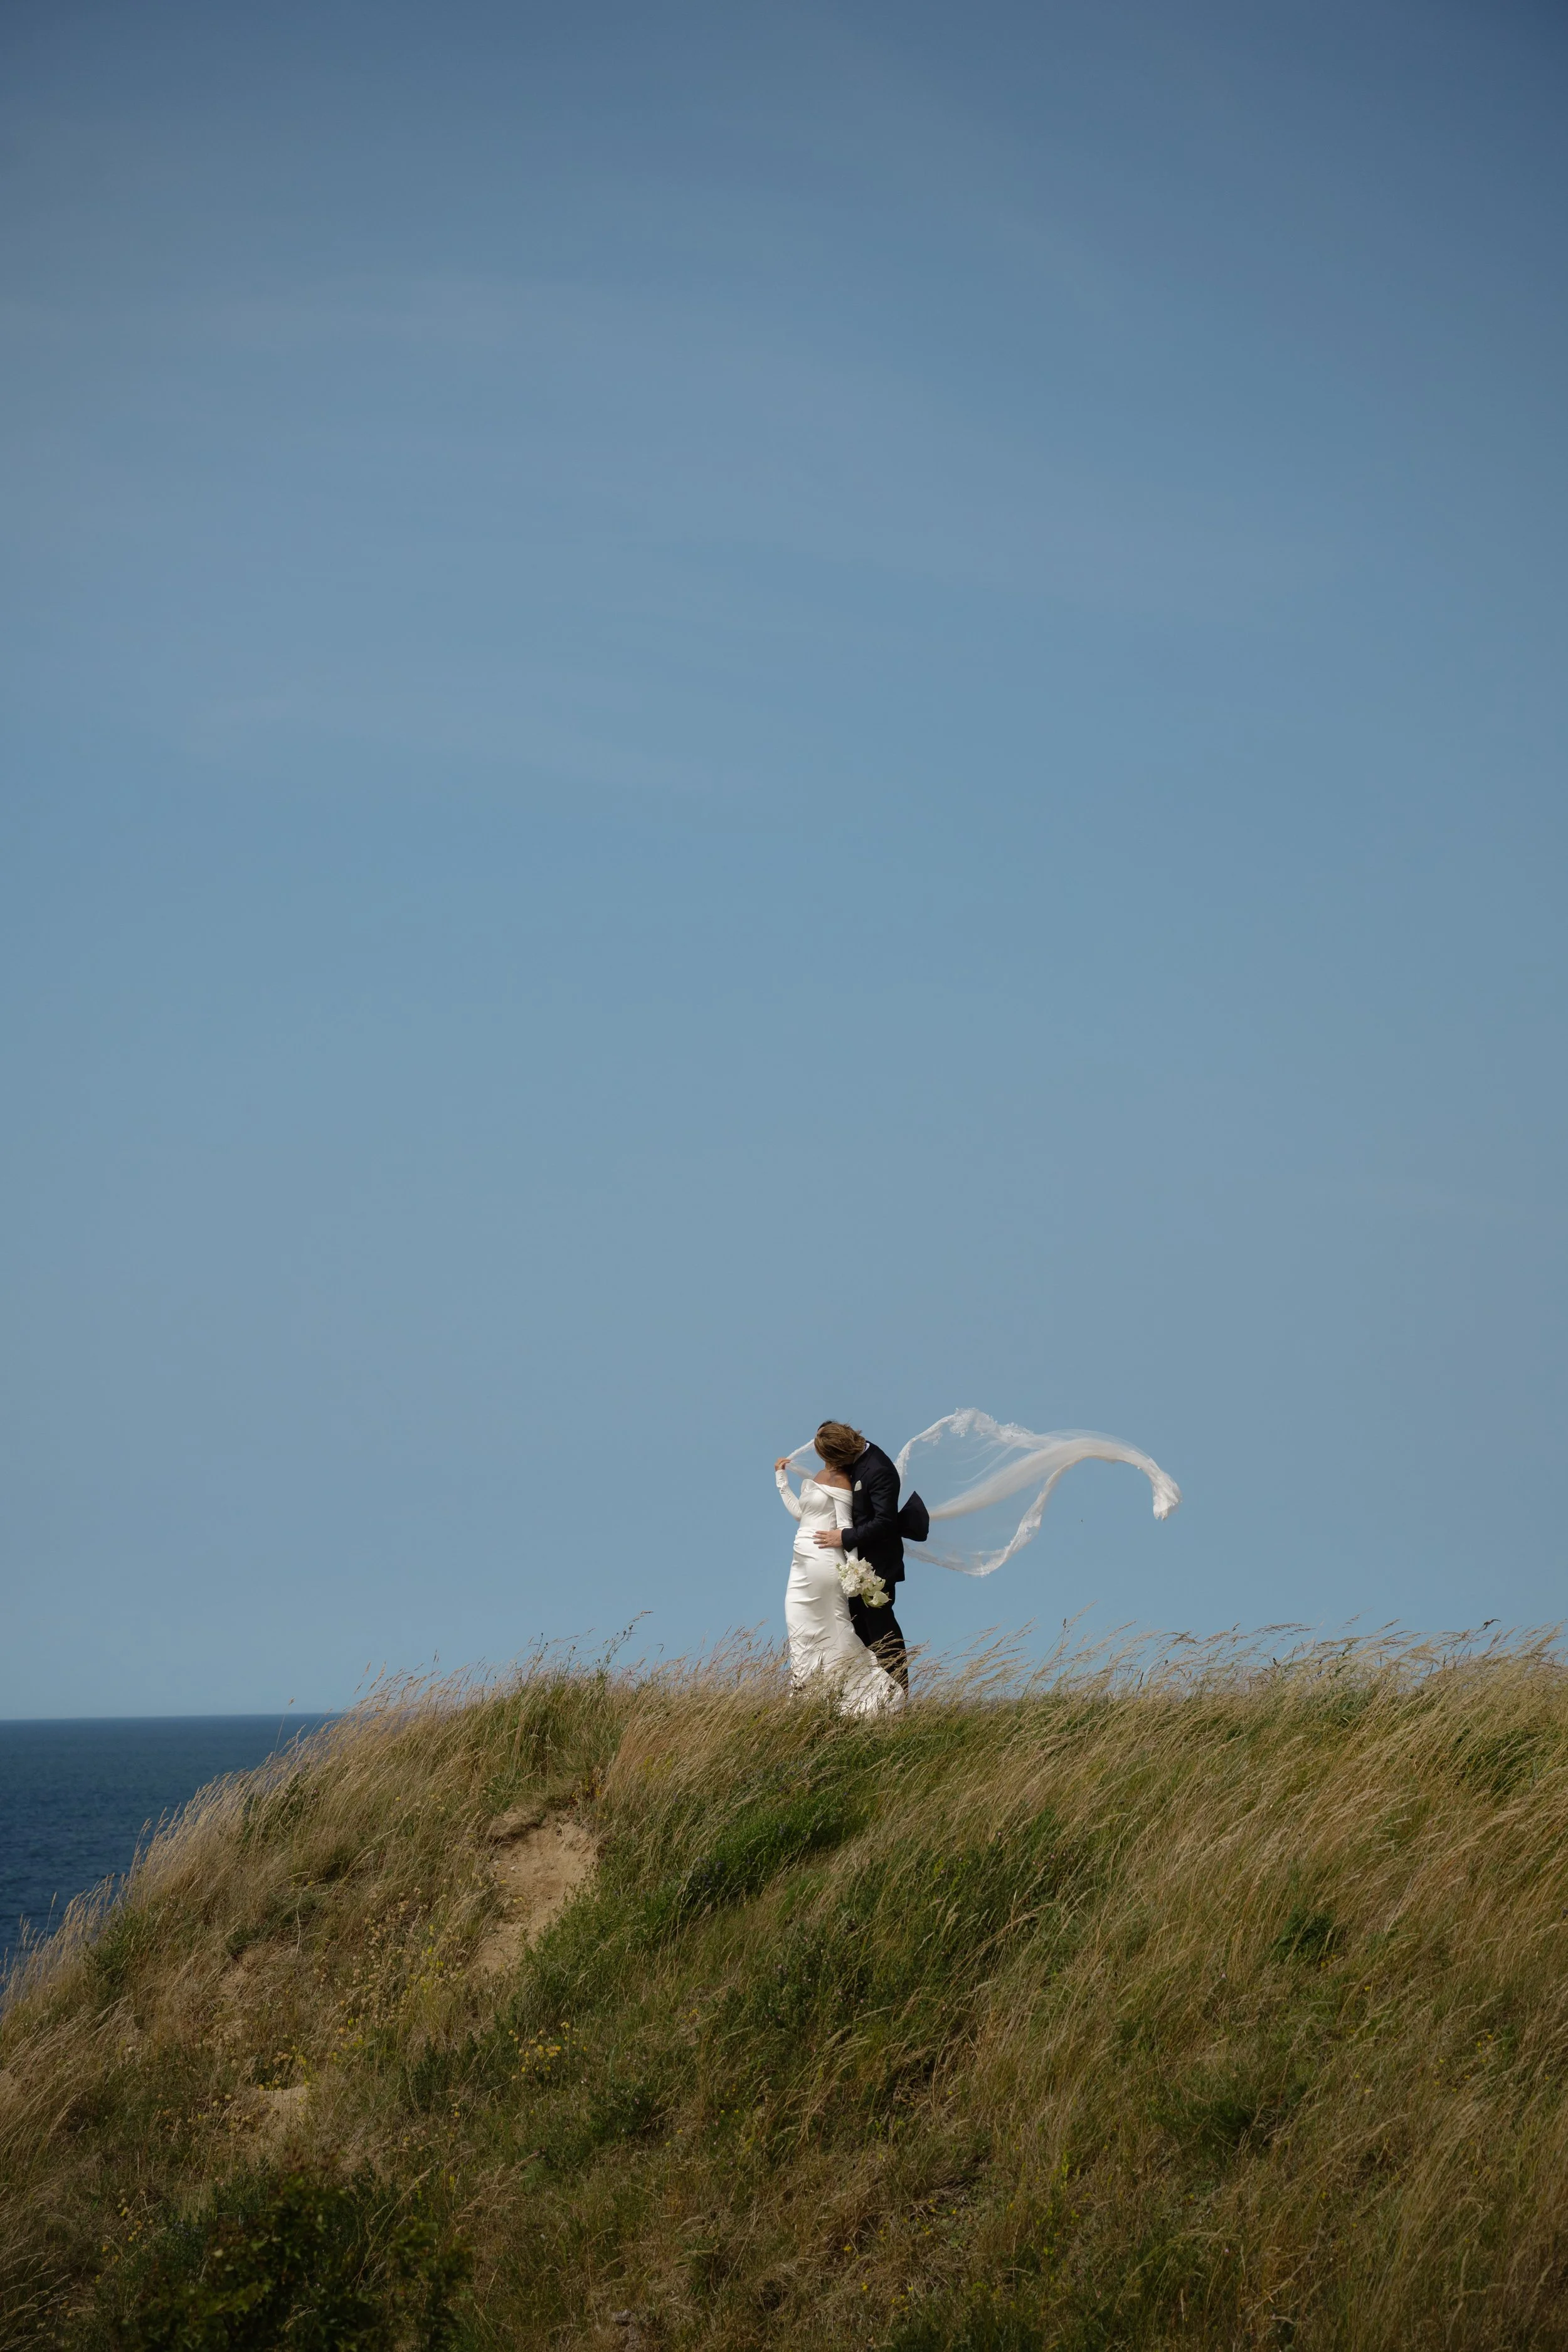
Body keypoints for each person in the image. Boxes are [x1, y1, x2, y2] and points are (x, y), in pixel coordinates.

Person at [773, 1429, 904, 1715]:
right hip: (801, 1562)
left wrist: (852, 1569)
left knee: (852, 1628)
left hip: (840, 1561)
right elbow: (802, 1513)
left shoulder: (872, 1471)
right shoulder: (825, 1474)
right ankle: (806, 1695)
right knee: (800, 1627)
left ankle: (880, 1697)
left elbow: (876, 1522)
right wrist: (781, 1480)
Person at [805, 1419, 910, 1694]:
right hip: (849, 1567)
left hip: (876, 1567)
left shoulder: (879, 1470)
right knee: (855, 1632)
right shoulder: (853, 1461)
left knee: (881, 1633)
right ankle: (868, 1697)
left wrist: (844, 1537)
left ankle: (899, 1694)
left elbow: (885, 1522)